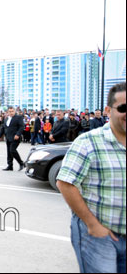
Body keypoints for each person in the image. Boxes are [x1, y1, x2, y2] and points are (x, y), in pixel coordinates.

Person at [56, 82, 126, 273]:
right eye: (123, 108)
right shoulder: (88, 142)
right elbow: (65, 182)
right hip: (99, 235)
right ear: (108, 110)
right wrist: (93, 224)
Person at [0, 106, 25, 171]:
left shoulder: (18, 117)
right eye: (10, 111)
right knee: (9, 152)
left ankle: (21, 163)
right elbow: (3, 128)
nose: (11, 112)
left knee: (12, 150)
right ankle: (10, 166)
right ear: (8, 112)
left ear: (14, 111)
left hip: (15, 138)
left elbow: (22, 127)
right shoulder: (6, 118)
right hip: (8, 137)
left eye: (12, 111)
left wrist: (18, 134)